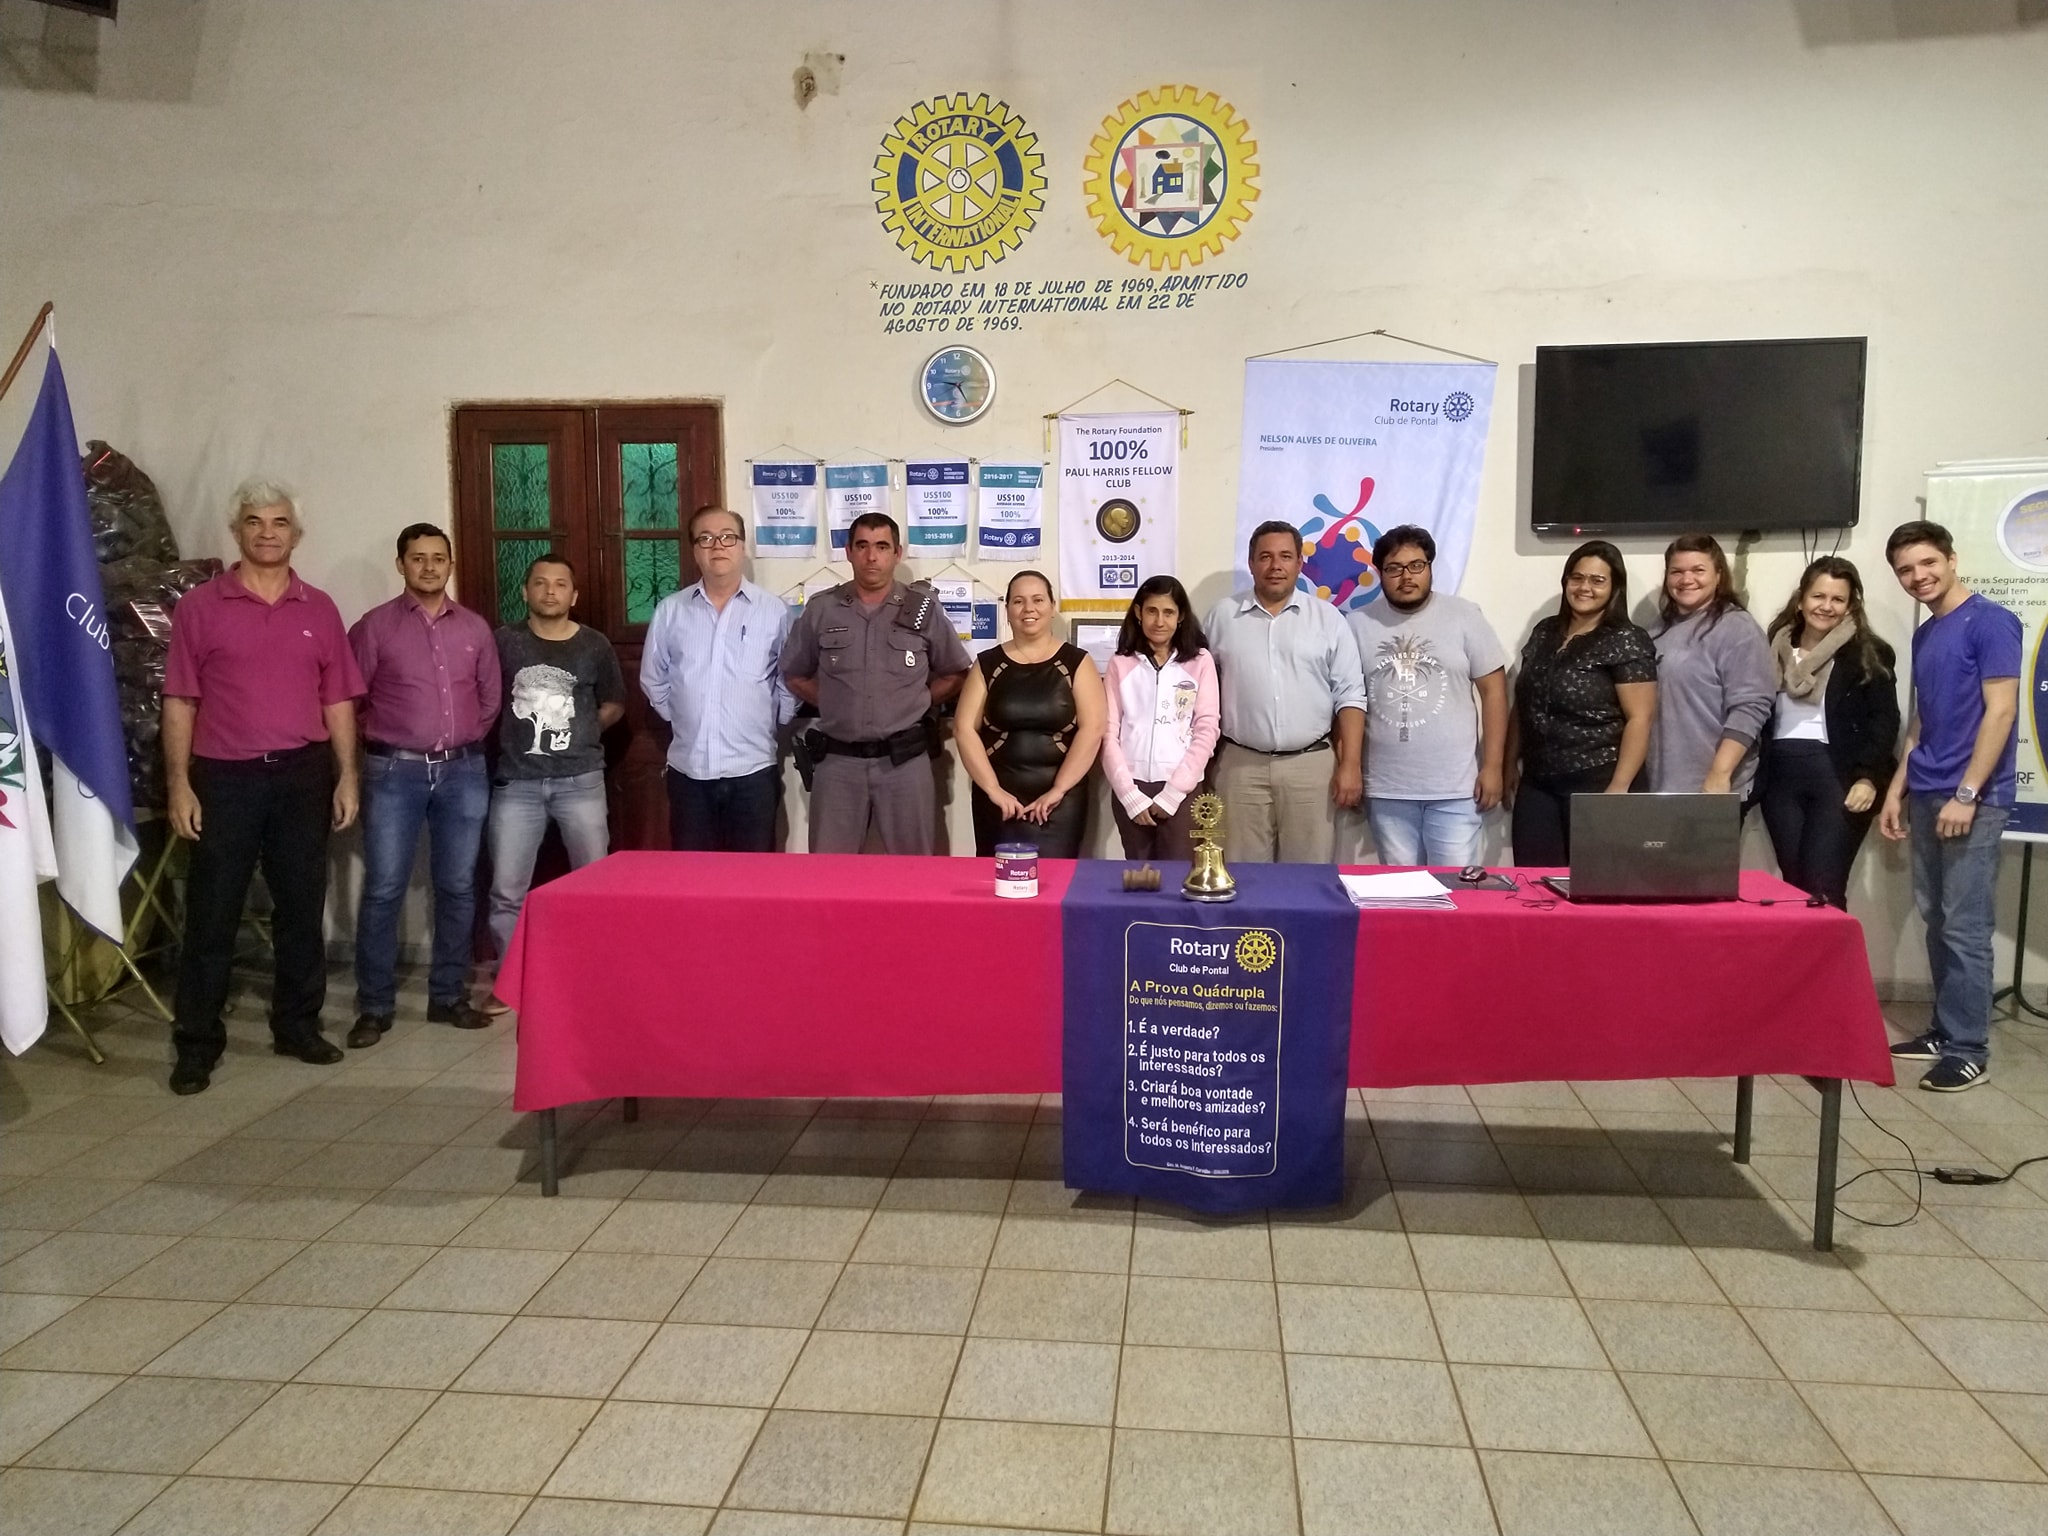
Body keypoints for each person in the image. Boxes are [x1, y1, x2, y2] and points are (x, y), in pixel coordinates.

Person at [161, 479, 365, 1094]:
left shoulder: (319, 608)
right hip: (225, 779)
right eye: (255, 522)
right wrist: (179, 784)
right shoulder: (200, 607)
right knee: (212, 914)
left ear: (295, 534)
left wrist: (347, 774)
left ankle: (297, 1026)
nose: (267, 533)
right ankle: (197, 1044)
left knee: (301, 909)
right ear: (237, 531)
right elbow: (180, 701)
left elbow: (338, 700)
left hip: (303, 776)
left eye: (279, 523)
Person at [1880, 520, 2021, 1093]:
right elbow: (1925, 718)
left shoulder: (1991, 621)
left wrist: (1967, 793)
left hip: (1973, 799)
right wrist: (1898, 786)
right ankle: (1944, 1030)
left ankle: (1968, 1049)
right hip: (1928, 790)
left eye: (1927, 563)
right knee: (1936, 918)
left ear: (1952, 559)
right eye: (1906, 570)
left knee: (1965, 927)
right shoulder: (1927, 632)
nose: (1918, 576)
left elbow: (2002, 711)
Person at [347, 523, 500, 1048]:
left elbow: (489, 699)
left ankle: (448, 996)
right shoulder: (374, 627)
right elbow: (351, 699)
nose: (429, 567)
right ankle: (374, 1006)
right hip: (395, 772)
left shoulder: (475, 628)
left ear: (450, 564)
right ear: (401, 564)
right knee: (384, 888)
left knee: (457, 886)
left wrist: (459, 739)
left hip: (463, 772)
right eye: (418, 558)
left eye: (438, 558)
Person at [782, 512, 971, 854]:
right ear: (848, 551)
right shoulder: (823, 609)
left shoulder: (922, 608)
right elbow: (794, 672)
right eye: (863, 546)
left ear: (897, 553)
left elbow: (956, 672)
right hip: (837, 763)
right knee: (828, 872)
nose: (872, 556)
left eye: (882, 547)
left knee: (913, 870)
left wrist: (917, 701)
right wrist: (834, 702)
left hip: (905, 764)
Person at [485, 555, 626, 997]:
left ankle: (594, 980)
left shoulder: (594, 645)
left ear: (574, 595)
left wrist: (581, 733)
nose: (550, 591)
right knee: (507, 891)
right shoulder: (502, 642)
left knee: (594, 886)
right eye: (541, 583)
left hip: (581, 782)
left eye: (561, 584)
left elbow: (614, 704)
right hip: (516, 784)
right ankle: (511, 983)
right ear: (524, 591)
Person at [1204, 520, 1367, 862]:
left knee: (1308, 876)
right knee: (1241, 876)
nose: (1275, 566)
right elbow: (1200, 688)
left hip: (1311, 767)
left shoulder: (1328, 619)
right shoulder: (1221, 617)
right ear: (1251, 563)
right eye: (1265, 557)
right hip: (1240, 767)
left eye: (1285, 556)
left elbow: (1351, 695)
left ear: (1299, 563)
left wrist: (1351, 765)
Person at [1347, 524, 1508, 867]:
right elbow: (1348, 702)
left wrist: (1493, 766)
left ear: (1430, 567)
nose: (1406, 576)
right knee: (1401, 890)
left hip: (1455, 789)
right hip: (1387, 790)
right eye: (1394, 568)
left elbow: (1494, 691)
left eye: (1416, 565)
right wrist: (1350, 767)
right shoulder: (1357, 624)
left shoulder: (1465, 616)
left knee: (1454, 889)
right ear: (1380, 573)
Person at [640, 506, 796, 852]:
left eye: (727, 537)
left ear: (742, 546)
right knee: (692, 876)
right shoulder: (671, 610)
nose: (717, 546)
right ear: (695, 550)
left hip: (753, 771)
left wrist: (774, 720)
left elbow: (789, 678)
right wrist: (683, 716)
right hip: (689, 772)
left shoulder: (774, 611)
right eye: (706, 538)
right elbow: (653, 678)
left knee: (753, 875)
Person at [1756, 556, 1899, 911]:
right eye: (1818, 596)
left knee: (1824, 887)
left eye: (1838, 599)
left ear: (1850, 606)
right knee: (1793, 887)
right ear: (1801, 599)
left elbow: (1884, 720)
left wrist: (1868, 778)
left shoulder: (1869, 653)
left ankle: (1833, 950)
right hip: (1779, 778)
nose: (1826, 606)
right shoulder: (1773, 645)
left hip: (1837, 776)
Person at [1507, 540, 1658, 866]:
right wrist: (1508, 764)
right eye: (1577, 578)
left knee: (1596, 886)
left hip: (1599, 782)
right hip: (1538, 783)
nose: (1584, 587)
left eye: (1597, 580)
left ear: (1615, 587)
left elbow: (1641, 719)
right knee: (1535, 884)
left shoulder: (1626, 639)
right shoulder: (1545, 631)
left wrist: (1619, 789)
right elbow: (1523, 703)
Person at [954, 570, 1106, 858]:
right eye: (1018, 601)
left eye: (1038, 600)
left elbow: (1093, 729)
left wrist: (1058, 790)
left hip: (1061, 800)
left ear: (1052, 606)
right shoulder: (986, 664)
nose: (1028, 609)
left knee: (1056, 879)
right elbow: (964, 729)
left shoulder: (1077, 662)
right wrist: (993, 790)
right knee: (998, 879)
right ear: (1007, 609)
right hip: (999, 801)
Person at [1101, 575, 1220, 861]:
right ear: (1138, 612)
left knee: (1179, 876)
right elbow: (1108, 732)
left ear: (1180, 617)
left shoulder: (1200, 661)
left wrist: (1174, 792)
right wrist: (1128, 794)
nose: (1159, 621)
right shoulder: (1120, 663)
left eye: (1168, 612)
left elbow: (1206, 728)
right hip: (1133, 788)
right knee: (1140, 875)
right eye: (1152, 611)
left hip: (1182, 789)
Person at [1646, 534, 1775, 797]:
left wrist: (1719, 773)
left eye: (1698, 570)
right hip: (1663, 785)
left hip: (1713, 787)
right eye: (1677, 571)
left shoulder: (1737, 627)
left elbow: (1751, 706)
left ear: (1718, 575)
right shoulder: (1657, 630)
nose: (1686, 579)